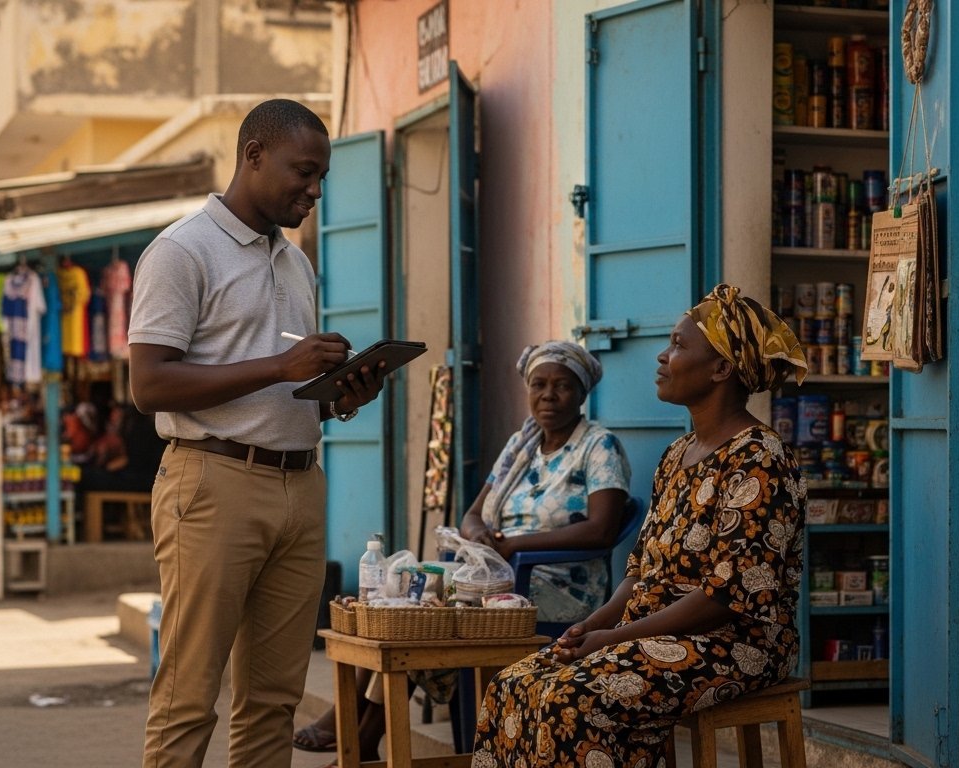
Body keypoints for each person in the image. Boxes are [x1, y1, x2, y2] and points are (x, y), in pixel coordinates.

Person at [129, 98, 387, 768]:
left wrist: (341, 398)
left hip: (299, 487)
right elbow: (148, 385)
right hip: (213, 485)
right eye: (304, 172)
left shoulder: (296, 262)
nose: (315, 190)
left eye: (322, 176)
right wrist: (280, 365)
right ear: (253, 156)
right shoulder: (181, 251)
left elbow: (280, 395)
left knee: (273, 699)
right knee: (189, 694)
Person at [470, 284, 809, 767]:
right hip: (650, 633)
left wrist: (614, 639)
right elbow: (640, 571)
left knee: (573, 699)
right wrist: (594, 623)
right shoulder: (676, 455)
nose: (662, 356)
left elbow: (724, 598)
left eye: (677, 345)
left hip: (736, 643)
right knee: (513, 684)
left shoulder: (760, 460)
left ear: (721, 369)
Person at [292, 340, 632, 761]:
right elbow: (472, 514)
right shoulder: (522, 444)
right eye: (539, 384)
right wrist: (481, 537)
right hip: (498, 571)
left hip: (559, 583)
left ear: (582, 393)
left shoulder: (599, 445)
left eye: (562, 385)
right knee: (411, 598)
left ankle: (364, 731)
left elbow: (601, 530)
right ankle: (364, 726)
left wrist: (513, 546)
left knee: (428, 612)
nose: (548, 395)